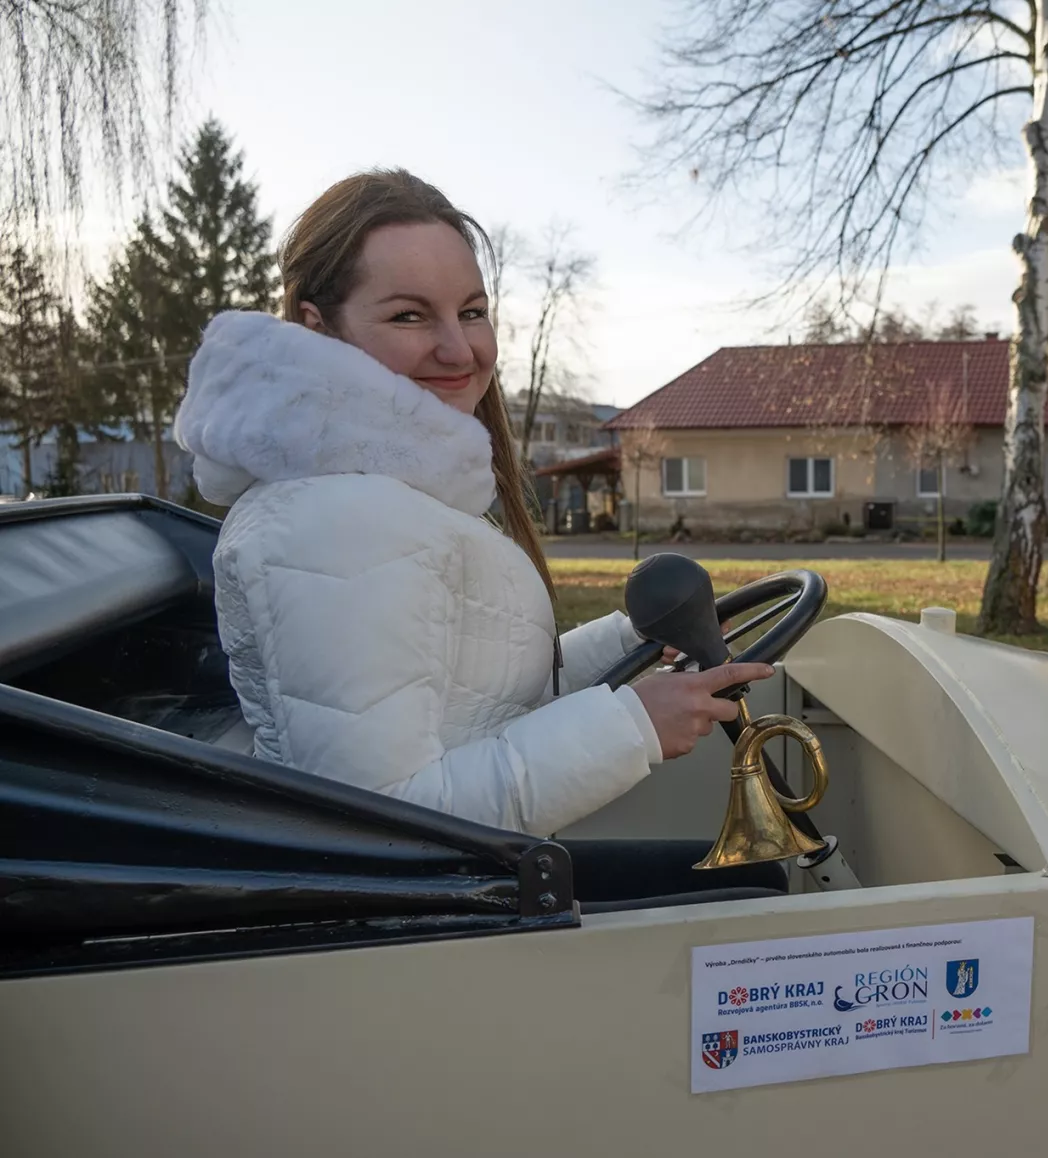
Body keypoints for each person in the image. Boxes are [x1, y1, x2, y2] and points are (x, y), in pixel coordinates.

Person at [174, 169, 773, 843]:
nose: (460, 350)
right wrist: (632, 726)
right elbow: (387, 818)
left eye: (471, 311)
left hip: (476, 895)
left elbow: (482, 700)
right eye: (409, 315)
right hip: (435, 927)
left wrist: (632, 639)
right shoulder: (331, 522)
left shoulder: (387, 488)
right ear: (319, 326)